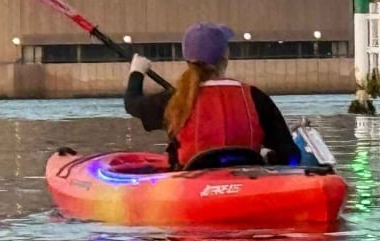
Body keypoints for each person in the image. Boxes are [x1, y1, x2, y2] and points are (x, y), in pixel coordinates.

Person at [124, 22, 299, 168]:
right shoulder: (254, 97)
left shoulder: (174, 100)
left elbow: (132, 103)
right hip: (247, 183)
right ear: (226, 56)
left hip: (188, 186)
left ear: (187, 60)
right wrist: (268, 156)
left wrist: (137, 72)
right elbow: (290, 155)